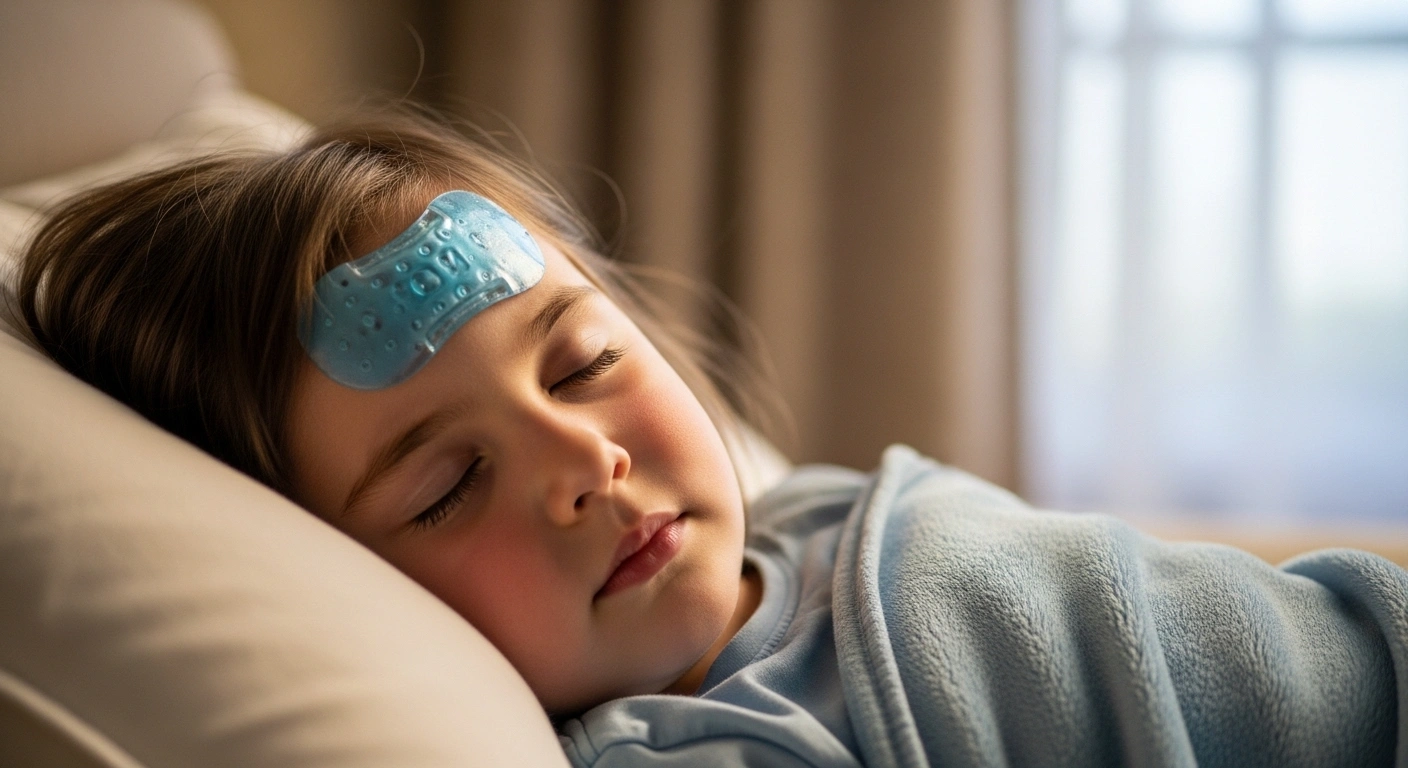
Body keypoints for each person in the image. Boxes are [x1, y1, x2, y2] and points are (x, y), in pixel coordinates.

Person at [13, 110, 1407, 768]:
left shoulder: (832, 522)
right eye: (448, 486)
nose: (584, 463)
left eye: (587, 361)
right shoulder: (704, 748)